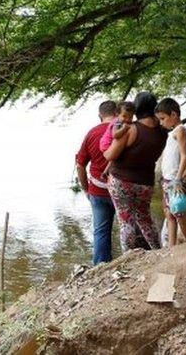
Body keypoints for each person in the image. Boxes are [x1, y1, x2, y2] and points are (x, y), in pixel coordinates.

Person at [104, 91, 168, 251]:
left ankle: (128, 256)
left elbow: (110, 154)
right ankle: (157, 250)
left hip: (121, 181)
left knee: (126, 220)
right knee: (145, 219)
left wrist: (105, 152)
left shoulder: (131, 129)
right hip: (145, 183)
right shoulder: (162, 132)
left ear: (137, 108)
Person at [75, 100, 118, 265]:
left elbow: (80, 165)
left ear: (100, 116)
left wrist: (86, 189)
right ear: (117, 112)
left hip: (97, 190)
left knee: (101, 231)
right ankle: (134, 260)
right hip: (121, 188)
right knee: (130, 226)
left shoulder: (91, 133)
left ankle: (101, 266)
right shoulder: (124, 129)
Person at [155, 97, 186, 247]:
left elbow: (185, 155)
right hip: (167, 180)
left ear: (174, 115)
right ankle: (171, 248)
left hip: (174, 181)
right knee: (169, 214)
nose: (161, 122)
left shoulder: (180, 130)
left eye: (163, 118)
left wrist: (178, 179)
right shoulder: (172, 133)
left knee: (179, 214)